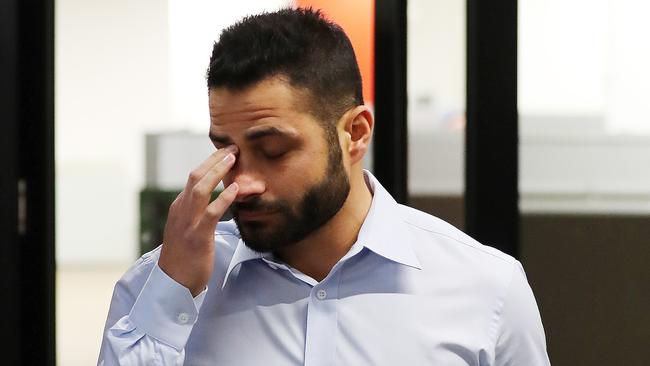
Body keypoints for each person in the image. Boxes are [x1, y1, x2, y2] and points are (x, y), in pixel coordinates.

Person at [98, 7, 550, 365]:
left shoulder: (486, 288)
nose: (244, 182)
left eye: (273, 150)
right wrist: (171, 292)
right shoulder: (159, 284)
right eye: (227, 152)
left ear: (355, 133)